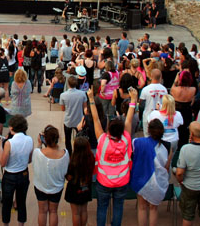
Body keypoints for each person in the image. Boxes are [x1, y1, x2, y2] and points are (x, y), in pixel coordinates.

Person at [87, 85, 137, 226]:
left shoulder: (102, 140)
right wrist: (133, 100)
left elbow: (96, 120)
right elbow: (129, 118)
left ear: (108, 130)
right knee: (118, 207)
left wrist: (91, 99)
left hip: (103, 181)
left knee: (102, 207)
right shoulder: (126, 139)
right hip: (122, 181)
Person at [131, 119, 171, 226]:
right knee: (154, 209)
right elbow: (167, 166)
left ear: (148, 130)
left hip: (141, 180)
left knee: (142, 207)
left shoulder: (137, 142)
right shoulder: (168, 146)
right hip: (158, 182)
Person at [0, 115, 34, 226]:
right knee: (21, 203)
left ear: (12, 127)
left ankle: (6, 224)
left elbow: (3, 163)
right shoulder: (29, 140)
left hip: (10, 176)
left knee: (7, 204)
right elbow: (29, 160)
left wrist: (0, 146)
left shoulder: (9, 143)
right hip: (23, 174)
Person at [32, 125, 69, 226]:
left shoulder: (37, 153)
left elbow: (34, 165)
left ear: (45, 139)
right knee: (53, 211)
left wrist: (39, 144)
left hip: (40, 187)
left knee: (42, 211)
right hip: (56, 188)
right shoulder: (65, 154)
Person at [65, 137, 95, 226]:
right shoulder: (91, 158)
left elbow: (69, 176)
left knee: (76, 213)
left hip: (74, 188)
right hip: (86, 187)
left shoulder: (73, 161)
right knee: (84, 210)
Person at [60, 76, 87, 156]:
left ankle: (70, 154)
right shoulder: (82, 94)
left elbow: (62, 108)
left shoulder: (63, 95)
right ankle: (78, 152)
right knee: (80, 138)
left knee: (67, 139)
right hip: (79, 119)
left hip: (68, 120)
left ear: (68, 84)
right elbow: (85, 107)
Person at [140, 69, 167, 136]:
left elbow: (141, 104)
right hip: (160, 116)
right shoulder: (164, 89)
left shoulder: (145, 89)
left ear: (151, 76)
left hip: (147, 115)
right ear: (160, 76)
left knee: (147, 136)